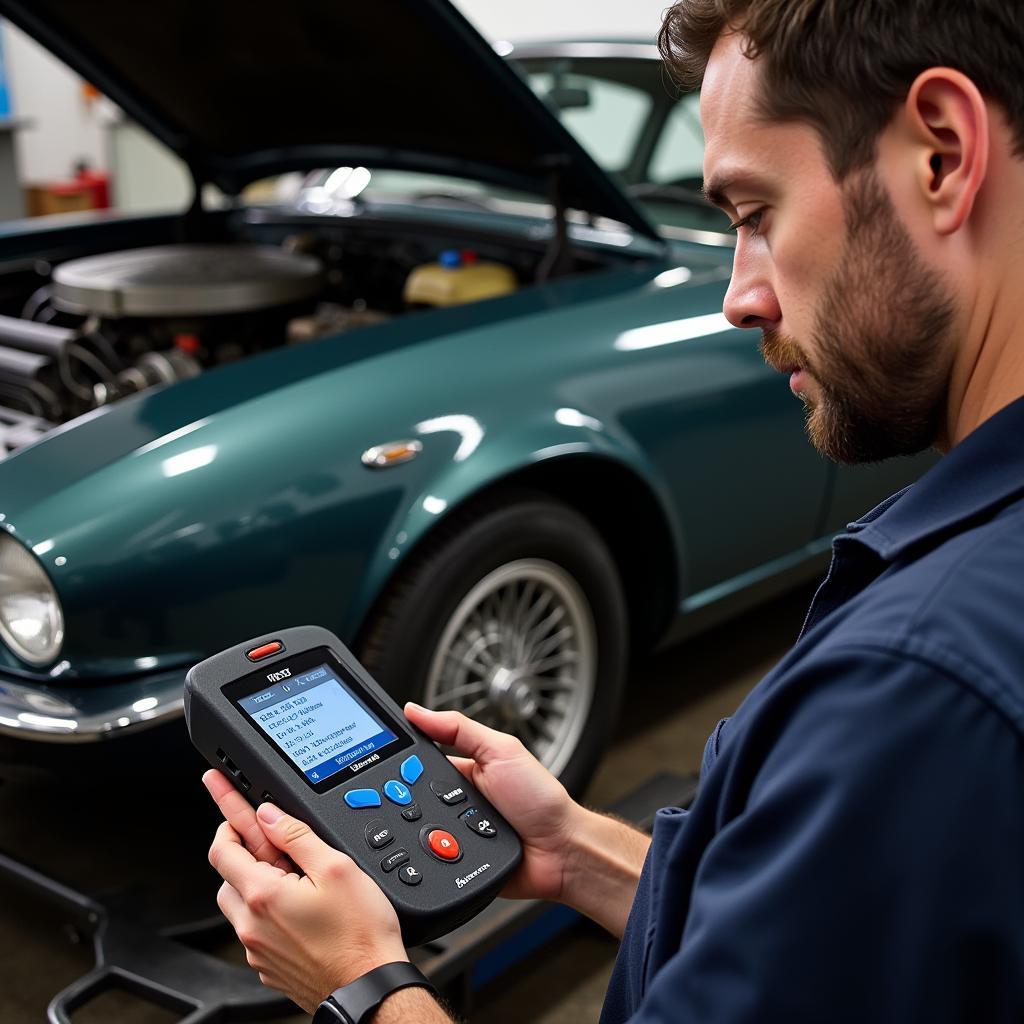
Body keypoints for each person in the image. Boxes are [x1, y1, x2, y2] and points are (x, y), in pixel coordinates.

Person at [205, 1, 1024, 1019]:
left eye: (755, 213)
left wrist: (363, 986)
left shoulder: (910, 688)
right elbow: (820, 945)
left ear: (941, 153)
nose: (741, 296)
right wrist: (573, 853)